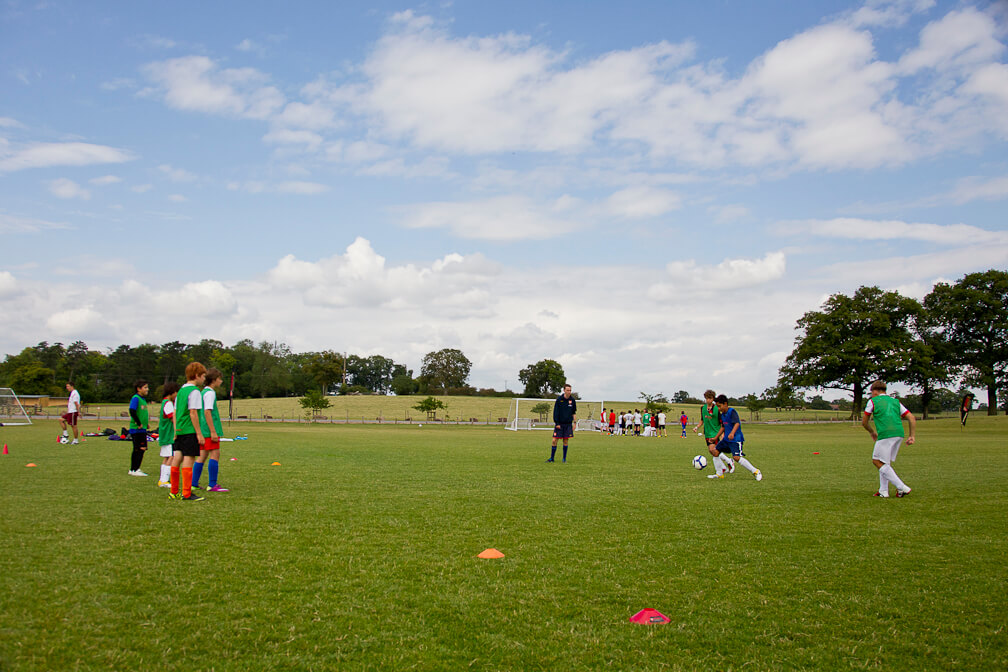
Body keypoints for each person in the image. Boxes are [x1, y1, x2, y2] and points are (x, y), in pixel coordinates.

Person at [862, 379, 915, 498]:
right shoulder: (895, 401)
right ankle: (883, 491)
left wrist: (872, 432)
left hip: (885, 434)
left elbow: (864, 422)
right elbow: (911, 418)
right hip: (899, 433)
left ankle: (902, 487)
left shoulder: (873, 401)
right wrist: (912, 436)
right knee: (884, 461)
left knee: (876, 461)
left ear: (874, 391)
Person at [169, 362, 207, 501]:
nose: (204, 379)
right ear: (196, 376)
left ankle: (174, 491)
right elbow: (193, 413)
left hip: (179, 430)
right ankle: (186, 492)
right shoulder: (194, 391)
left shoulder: (180, 391)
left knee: (177, 458)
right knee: (189, 459)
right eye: (203, 376)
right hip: (189, 430)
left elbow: (175, 412)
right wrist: (199, 433)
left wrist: (175, 431)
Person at [192, 368, 229, 492]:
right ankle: (212, 484)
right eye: (219, 379)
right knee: (215, 454)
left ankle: (194, 483)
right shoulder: (210, 393)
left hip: (203, 429)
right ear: (213, 380)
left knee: (202, 455)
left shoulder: (203, 392)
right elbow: (207, 412)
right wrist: (213, 431)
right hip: (208, 430)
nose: (221, 381)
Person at [713, 394, 762, 481]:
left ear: (725, 404)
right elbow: (723, 427)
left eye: (719, 406)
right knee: (715, 452)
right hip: (726, 440)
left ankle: (756, 471)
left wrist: (732, 433)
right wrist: (715, 437)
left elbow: (737, 423)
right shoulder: (722, 415)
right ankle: (719, 474)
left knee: (736, 457)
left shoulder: (732, 411)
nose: (719, 409)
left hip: (735, 439)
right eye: (717, 407)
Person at [695, 390, 733, 477]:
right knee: (712, 451)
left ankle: (721, 470)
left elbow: (721, 422)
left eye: (710, 398)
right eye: (706, 398)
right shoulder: (703, 408)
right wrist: (697, 427)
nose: (708, 400)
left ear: (713, 399)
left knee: (714, 450)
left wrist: (722, 434)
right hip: (707, 433)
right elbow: (702, 420)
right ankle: (725, 465)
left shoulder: (717, 409)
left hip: (715, 433)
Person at [546, 383, 577, 463]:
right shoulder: (559, 399)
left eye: (570, 390)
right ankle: (552, 458)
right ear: (564, 390)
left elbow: (574, 412)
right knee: (554, 440)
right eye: (567, 390)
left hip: (568, 424)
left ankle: (564, 459)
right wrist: (557, 423)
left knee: (565, 441)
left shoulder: (572, 400)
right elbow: (556, 412)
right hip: (559, 424)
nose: (569, 392)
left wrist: (575, 423)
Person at [156, 382, 179, 488]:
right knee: (172, 456)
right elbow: (172, 418)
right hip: (169, 434)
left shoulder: (164, 402)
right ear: (173, 392)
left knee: (166, 457)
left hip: (165, 434)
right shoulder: (168, 403)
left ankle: (162, 479)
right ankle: (164, 480)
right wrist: (176, 431)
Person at [127, 379, 150, 476]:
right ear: (139, 389)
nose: (147, 389)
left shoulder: (143, 400)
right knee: (137, 448)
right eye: (145, 387)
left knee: (143, 448)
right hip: (137, 429)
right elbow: (132, 411)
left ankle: (136, 468)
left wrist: (146, 423)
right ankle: (133, 469)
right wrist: (139, 423)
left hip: (142, 428)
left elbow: (142, 413)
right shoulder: (135, 398)